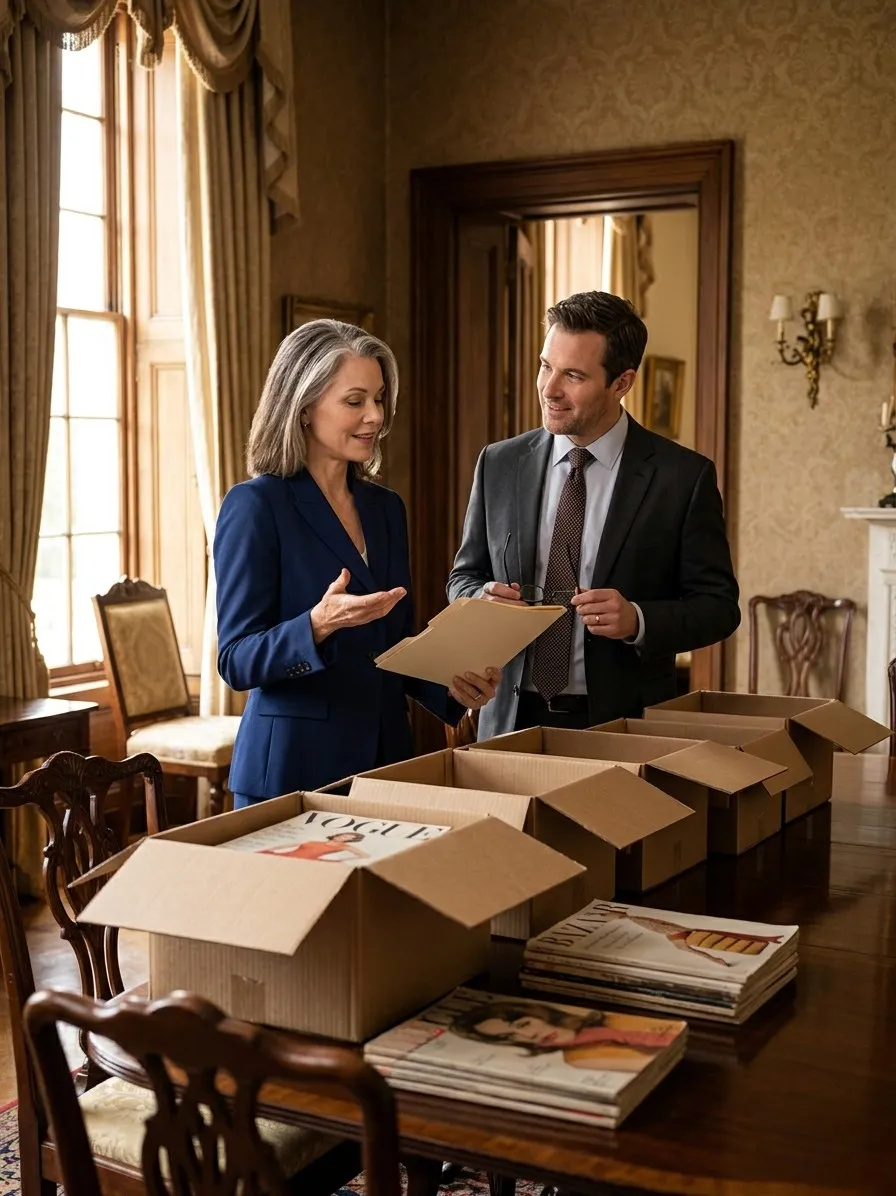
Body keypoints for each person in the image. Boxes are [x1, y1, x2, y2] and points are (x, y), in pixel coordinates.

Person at [214, 319, 502, 807]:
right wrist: (315, 625)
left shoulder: (385, 508)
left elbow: (396, 646)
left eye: (380, 398)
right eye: (355, 401)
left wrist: (454, 687)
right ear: (303, 409)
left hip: (387, 761)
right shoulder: (256, 506)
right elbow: (236, 659)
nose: (375, 416)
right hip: (292, 770)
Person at [447, 290, 739, 737]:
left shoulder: (683, 478)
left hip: (623, 724)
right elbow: (463, 577)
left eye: (573, 375)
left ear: (621, 383)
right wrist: (479, 600)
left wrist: (638, 619)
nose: (549, 389)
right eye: (546, 366)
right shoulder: (500, 463)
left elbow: (718, 607)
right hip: (506, 719)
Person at [449, 999, 682, 1072]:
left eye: (524, 1023)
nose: (528, 1036)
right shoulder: (579, 1058)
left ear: (538, 1014)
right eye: (509, 1037)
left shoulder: (605, 1015)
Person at [600, 908, 784, 966]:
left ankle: (765, 940)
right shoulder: (677, 937)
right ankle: (765, 940)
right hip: (676, 934)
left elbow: (651, 923)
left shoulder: (673, 934)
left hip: (675, 933)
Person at [261, 831, 369, 863]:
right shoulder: (314, 840)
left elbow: (364, 855)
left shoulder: (344, 846)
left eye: (347, 837)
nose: (343, 837)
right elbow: (290, 844)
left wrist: (340, 860)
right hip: (291, 855)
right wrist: (272, 848)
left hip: (308, 861)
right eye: (343, 835)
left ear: (350, 840)